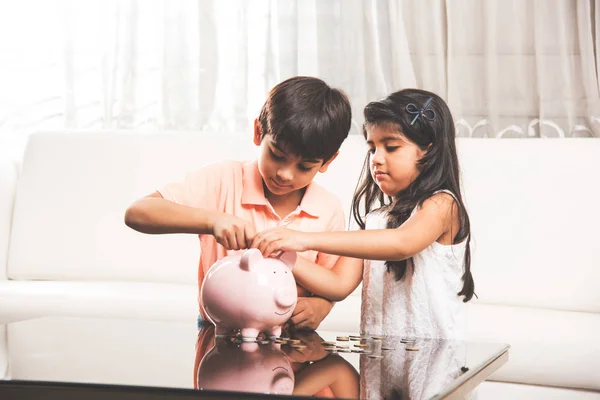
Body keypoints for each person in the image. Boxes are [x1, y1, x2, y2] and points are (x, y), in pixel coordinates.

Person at [124, 76, 352, 330]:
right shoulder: (224, 180)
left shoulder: (328, 209)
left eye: (305, 167)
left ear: (328, 162)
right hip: (219, 331)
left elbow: (334, 281)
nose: (285, 174)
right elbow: (138, 213)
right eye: (277, 155)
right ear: (258, 132)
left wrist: (322, 306)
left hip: (289, 338)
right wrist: (213, 220)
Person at [251, 88, 475, 339]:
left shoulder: (443, 204)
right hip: (380, 364)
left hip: (434, 362)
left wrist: (301, 238)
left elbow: (402, 243)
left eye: (390, 147)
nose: (376, 159)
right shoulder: (375, 221)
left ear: (429, 151)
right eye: (372, 149)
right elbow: (338, 285)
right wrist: (284, 255)